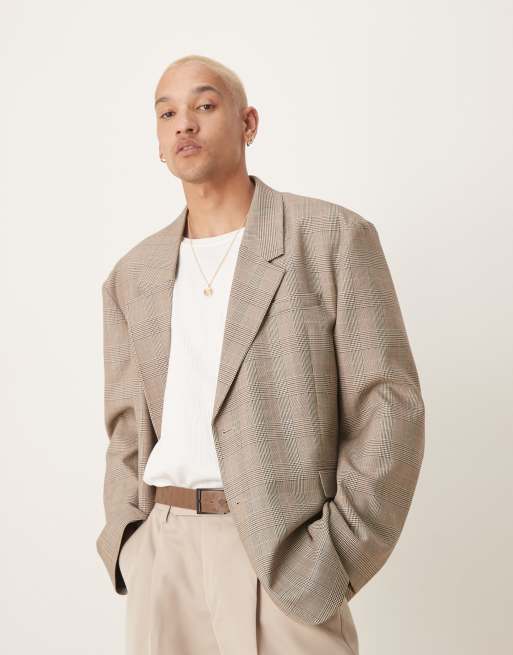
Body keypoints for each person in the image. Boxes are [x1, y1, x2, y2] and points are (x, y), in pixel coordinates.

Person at [96, 54, 425, 655]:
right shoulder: (132, 275)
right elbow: (126, 430)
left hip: (283, 557)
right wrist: (129, 541)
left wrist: (333, 556)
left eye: (204, 105)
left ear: (248, 123)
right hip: (162, 559)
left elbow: (390, 407)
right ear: (159, 144)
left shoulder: (330, 237)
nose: (184, 123)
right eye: (167, 113)